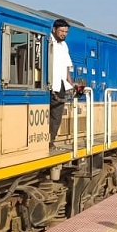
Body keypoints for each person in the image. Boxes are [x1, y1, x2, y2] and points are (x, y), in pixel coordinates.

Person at [49, 19, 74, 150]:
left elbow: (66, 67)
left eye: (66, 32)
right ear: (54, 29)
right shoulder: (47, 41)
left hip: (61, 85)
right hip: (49, 84)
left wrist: (71, 83)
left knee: (56, 116)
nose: (64, 34)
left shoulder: (64, 46)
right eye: (62, 31)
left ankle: (51, 141)